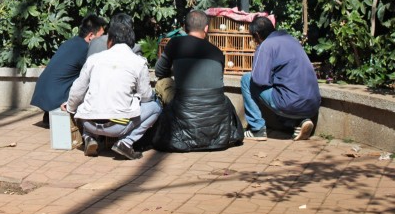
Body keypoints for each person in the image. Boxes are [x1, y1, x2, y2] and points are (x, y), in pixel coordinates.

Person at [63, 14, 161, 160]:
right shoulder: (138, 62)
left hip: (88, 123)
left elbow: (77, 91)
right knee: (156, 107)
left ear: (109, 42)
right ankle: (126, 142)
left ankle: (89, 137)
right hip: (118, 128)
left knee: (85, 98)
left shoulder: (93, 60)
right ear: (131, 44)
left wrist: (70, 108)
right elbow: (146, 96)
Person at [151, 10, 243, 152]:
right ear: (206, 28)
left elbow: (159, 72)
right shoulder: (217, 52)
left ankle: (161, 125)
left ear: (184, 28)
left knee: (162, 83)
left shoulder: (175, 44)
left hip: (183, 110)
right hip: (216, 119)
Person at [241, 16, 321, 141]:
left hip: (290, 103)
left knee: (247, 79)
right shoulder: (292, 40)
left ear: (257, 35)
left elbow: (259, 80)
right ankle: (300, 122)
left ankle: (257, 129)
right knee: (283, 89)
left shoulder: (266, 45)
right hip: (312, 105)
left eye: (253, 38)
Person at [30, 14, 107, 125]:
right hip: (56, 99)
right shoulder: (85, 49)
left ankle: (49, 115)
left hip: (43, 94)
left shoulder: (71, 42)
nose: (103, 39)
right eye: (101, 36)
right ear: (91, 36)